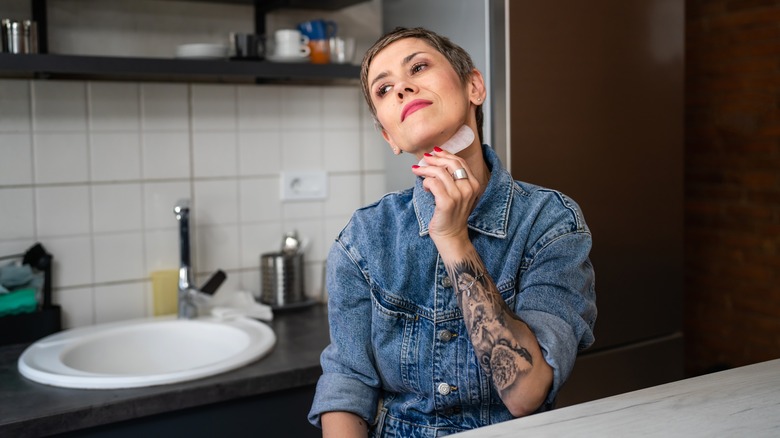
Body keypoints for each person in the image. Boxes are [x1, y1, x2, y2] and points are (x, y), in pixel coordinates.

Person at [308, 27, 597, 437]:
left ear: (474, 86)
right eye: (384, 89)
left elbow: (527, 393)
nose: (402, 88)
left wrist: (454, 239)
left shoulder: (551, 222)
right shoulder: (363, 238)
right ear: (389, 137)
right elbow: (347, 383)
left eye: (418, 68)